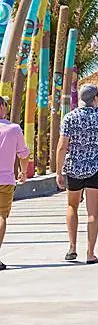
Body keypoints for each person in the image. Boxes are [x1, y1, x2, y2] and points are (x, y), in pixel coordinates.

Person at [56, 84, 98, 264]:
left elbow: (62, 146)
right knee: (93, 212)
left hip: (73, 167)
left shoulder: (70, 117)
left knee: (72, 206)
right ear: (95, 98)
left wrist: (59, 171)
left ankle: (72, 247)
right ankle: (90, 253)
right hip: (94, 169)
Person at [0, 95, 29, 271]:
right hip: (5, 180)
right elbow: (23, 154)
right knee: (1, 216)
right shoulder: (14, 129)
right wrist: (23, 171)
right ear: (3, 107)